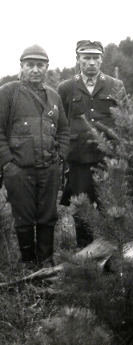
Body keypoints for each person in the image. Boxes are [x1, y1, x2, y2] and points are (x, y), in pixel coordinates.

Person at [0, 44, 69, 267]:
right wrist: (8, 163)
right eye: (30, 65)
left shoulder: (54, 97)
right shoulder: (8, 93)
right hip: (19, 170)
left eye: (40, 65)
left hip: (49, 169)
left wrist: (60, 157)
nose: (35, 70)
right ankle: (28, 263)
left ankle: (46, 262)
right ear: (22, 66)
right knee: (23, 218)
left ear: (47, 67)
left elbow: (64, 130)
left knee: (48, 217)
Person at [58, 40, 126, 248]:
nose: (91, 63)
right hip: (78, 160)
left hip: (106, 159)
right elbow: (61, 123)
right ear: (78, 59)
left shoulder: (116, 85)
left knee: (109, 207)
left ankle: (109, 253)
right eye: (86, 58)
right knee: (82, 209)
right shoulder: (66, 87)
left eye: (95, 58)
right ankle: (86, 254)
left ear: (101, 59)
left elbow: (124, 120)